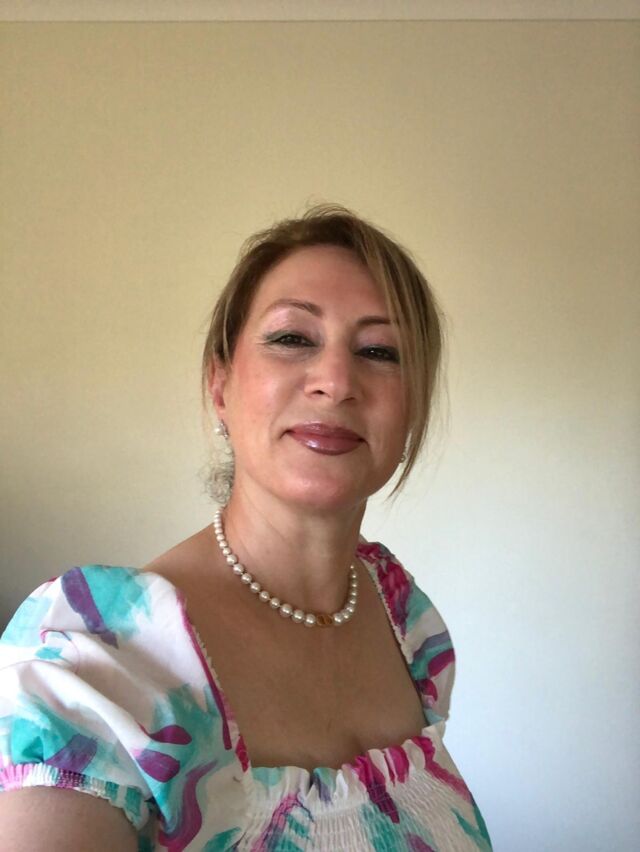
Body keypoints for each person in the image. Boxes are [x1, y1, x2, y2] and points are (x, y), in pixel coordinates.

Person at [0, 205, 492, 850]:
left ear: (413, 410)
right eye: (292, 339)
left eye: (380, 351)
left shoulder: (407, 623)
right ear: (220, 384)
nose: (336, 381)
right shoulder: (95, 661)